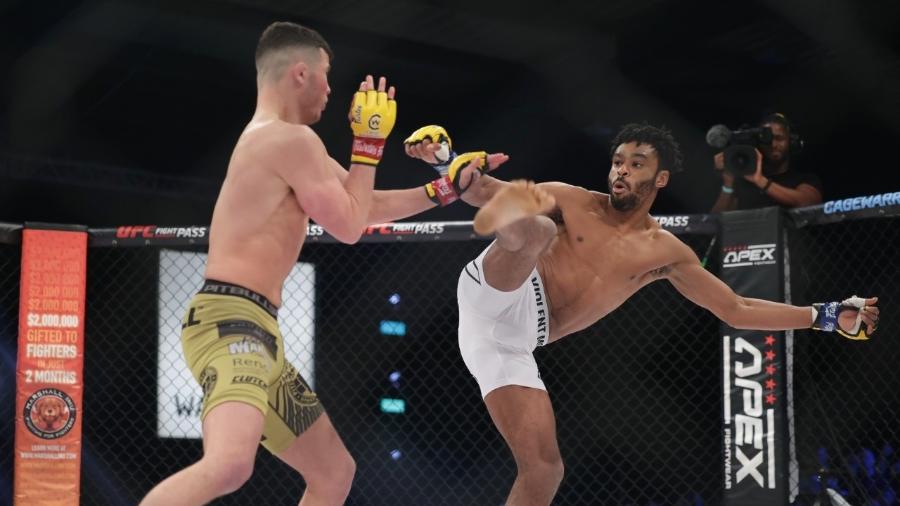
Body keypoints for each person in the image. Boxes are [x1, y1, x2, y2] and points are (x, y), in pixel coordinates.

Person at [406, 122, 879, 506]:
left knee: (546, 470)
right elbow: (490, 191)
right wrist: (452, 168)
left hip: (515, 342)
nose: (621, 172)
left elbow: (736, 309)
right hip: (496, 289)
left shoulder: (664, 252)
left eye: (636, 165)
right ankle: (451, 164)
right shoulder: (570, 199)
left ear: (661, 179)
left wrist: (824, 315)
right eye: (617, 162)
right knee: (531, 230)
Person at [140, 22, 503, 505]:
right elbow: (348, 226)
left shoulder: (287, 144)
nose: (333, 90)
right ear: (300, 72)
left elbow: (364, 205)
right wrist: (368, 146)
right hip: (232, 325)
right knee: (229, 464)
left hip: (255, 329)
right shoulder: (288, 140)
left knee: (333, 472)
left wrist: (445, 189)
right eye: (327, 75)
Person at [711, 113, 823, 212]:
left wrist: (761, 181)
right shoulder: (746, 183)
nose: (773, 145)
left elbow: (809, 203)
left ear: (791, 142)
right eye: (767, 140)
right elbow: (716, 223)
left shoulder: (804, 179)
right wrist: (728, 183)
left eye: (779, 138)